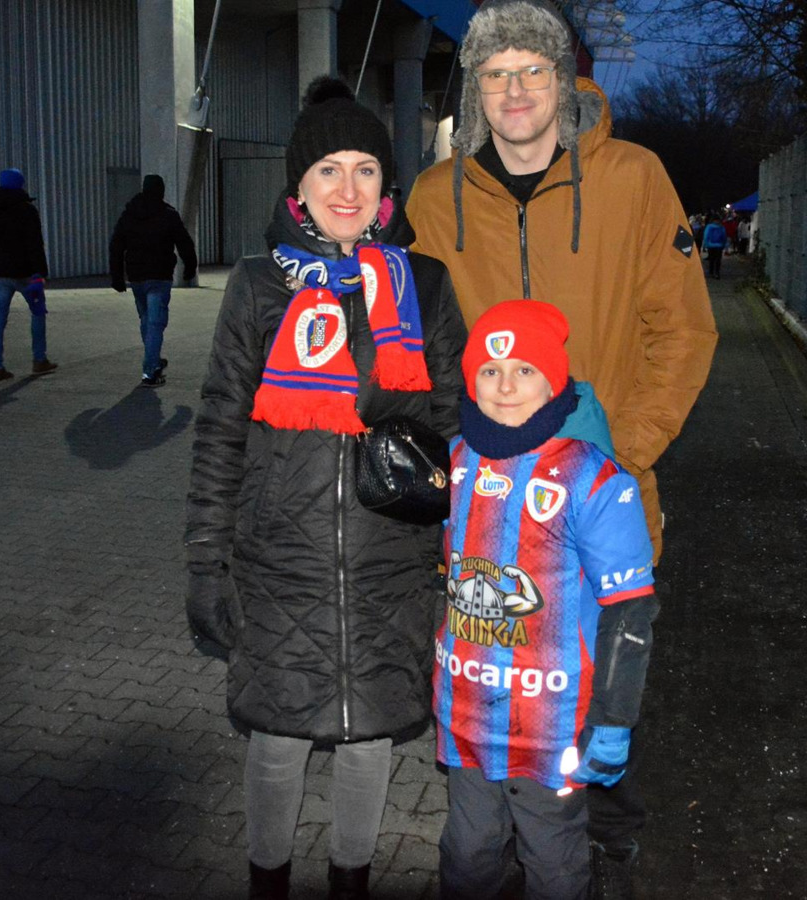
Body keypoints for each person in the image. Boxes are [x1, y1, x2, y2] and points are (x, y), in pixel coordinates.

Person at [406, 0, 717, 892]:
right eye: (495, 73)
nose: (514, 90)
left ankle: (601, 850)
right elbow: (414, 343)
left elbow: (683, 330)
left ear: (564, 78)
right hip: (487, 521)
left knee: (598, 698)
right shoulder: (434, 196)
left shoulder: (633, 177)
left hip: (599, 507)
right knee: (493, 699)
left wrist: (628, 450)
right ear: (475, 89)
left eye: (532, 70)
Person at [184, 76, 467, 900]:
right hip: (281, 558)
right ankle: (267, 884)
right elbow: (219, 430)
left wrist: (460, 557)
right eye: (329, 171)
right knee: (276, 739)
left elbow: (456, 431)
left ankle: (352, 883)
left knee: (369, 738)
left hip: (391, 560)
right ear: (299, 189)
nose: (349, 189)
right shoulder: (257, 285)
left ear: (387, 186)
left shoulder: (426, 285)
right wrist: (205, 561)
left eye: (366, 170)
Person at [435, 300, 657, 900]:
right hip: (468, 717)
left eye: (524, 370)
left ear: (554, 381)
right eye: (490, 371)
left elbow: (630, 612)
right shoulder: (453, 461)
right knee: (467, 853)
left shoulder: (594, 478)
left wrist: (614, 719)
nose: (506, 387)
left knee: (553, 859)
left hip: (552, 725)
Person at [109, 173, 198, 387]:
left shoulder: (129, 214)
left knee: (146, 320)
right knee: (156, 323)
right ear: (161, 190)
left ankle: (154, 358)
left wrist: (117, 276)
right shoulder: (168, 215)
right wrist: (190, 267)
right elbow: (184, 242)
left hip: (137, 277)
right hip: (159, 276)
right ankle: (150, 372)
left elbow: (116, 245)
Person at [0, 168, 57, 380]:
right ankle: (39, 360)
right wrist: (40, 272)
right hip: (26, 274)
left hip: (0, 275)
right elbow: (35, 245)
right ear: (20, 184)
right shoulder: (27, 211)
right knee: (37, 314)